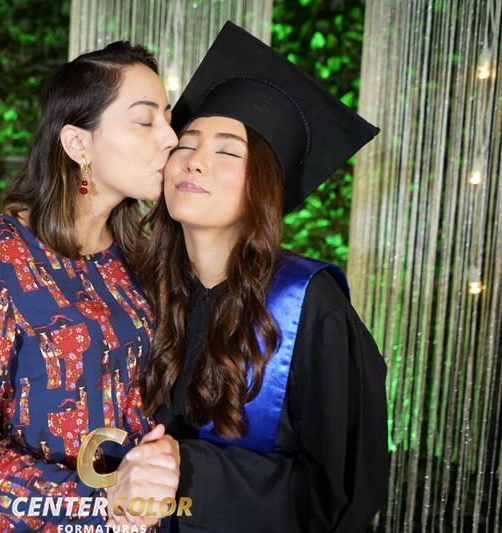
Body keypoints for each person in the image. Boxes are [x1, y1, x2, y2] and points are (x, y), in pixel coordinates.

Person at [133, 22, 390, 532]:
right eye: (186, 143)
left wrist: (189, 472)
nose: (195, 162)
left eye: (228, 151)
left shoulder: (310, 307)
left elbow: (339, 497)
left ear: (264, 186)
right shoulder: (141, 285)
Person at [0, 41, 181, 531]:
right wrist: (97, 503)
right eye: (145, 121)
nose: (170, 137)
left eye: (167, 118)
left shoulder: (140, 256)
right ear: (78, 145)